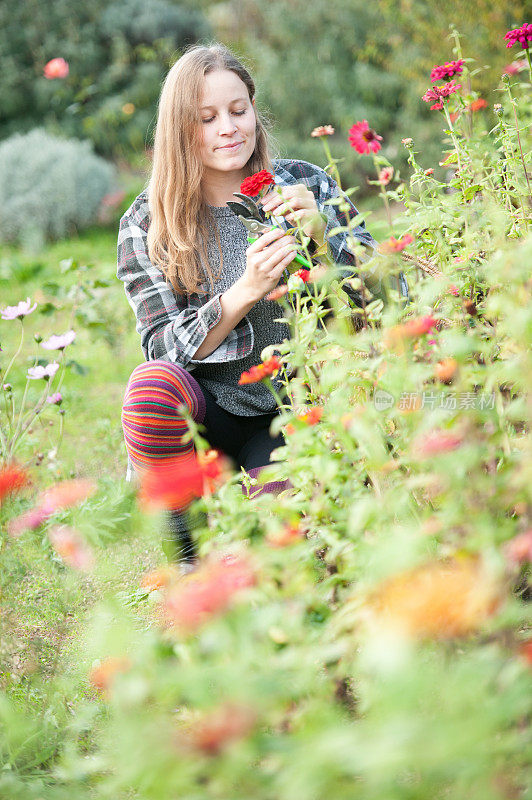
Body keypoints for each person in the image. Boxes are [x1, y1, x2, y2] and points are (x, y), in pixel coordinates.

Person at [117, 42, 406, 562]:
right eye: (206, 118)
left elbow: (390, 305)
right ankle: (187, 551)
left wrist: (322, 239)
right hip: (208, 418)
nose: (228, 128)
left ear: (254, 109)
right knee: (151, 390)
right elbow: (162, 347)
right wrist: (245, 291)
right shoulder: (148, 223)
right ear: (180, 129)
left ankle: (273, 509)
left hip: (294, 409)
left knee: (276, 549)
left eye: (238, 110)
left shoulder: (306, 185)